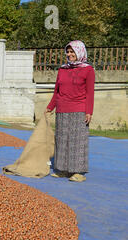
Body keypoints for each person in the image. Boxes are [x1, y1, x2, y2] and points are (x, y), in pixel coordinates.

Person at [45, 40, 95, 182]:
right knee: (61, 140)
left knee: (77, 141)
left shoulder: (88, 70)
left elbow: (90, 93)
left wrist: (89, 111)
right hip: (62, 109)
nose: (69, 54)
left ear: (79, 52)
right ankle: (63, 170)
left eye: (72, 51)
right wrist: (50, 107)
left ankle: (78, 172)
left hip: (79, 109)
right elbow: (57, 91)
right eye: (68, 51)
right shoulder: (62, 69)